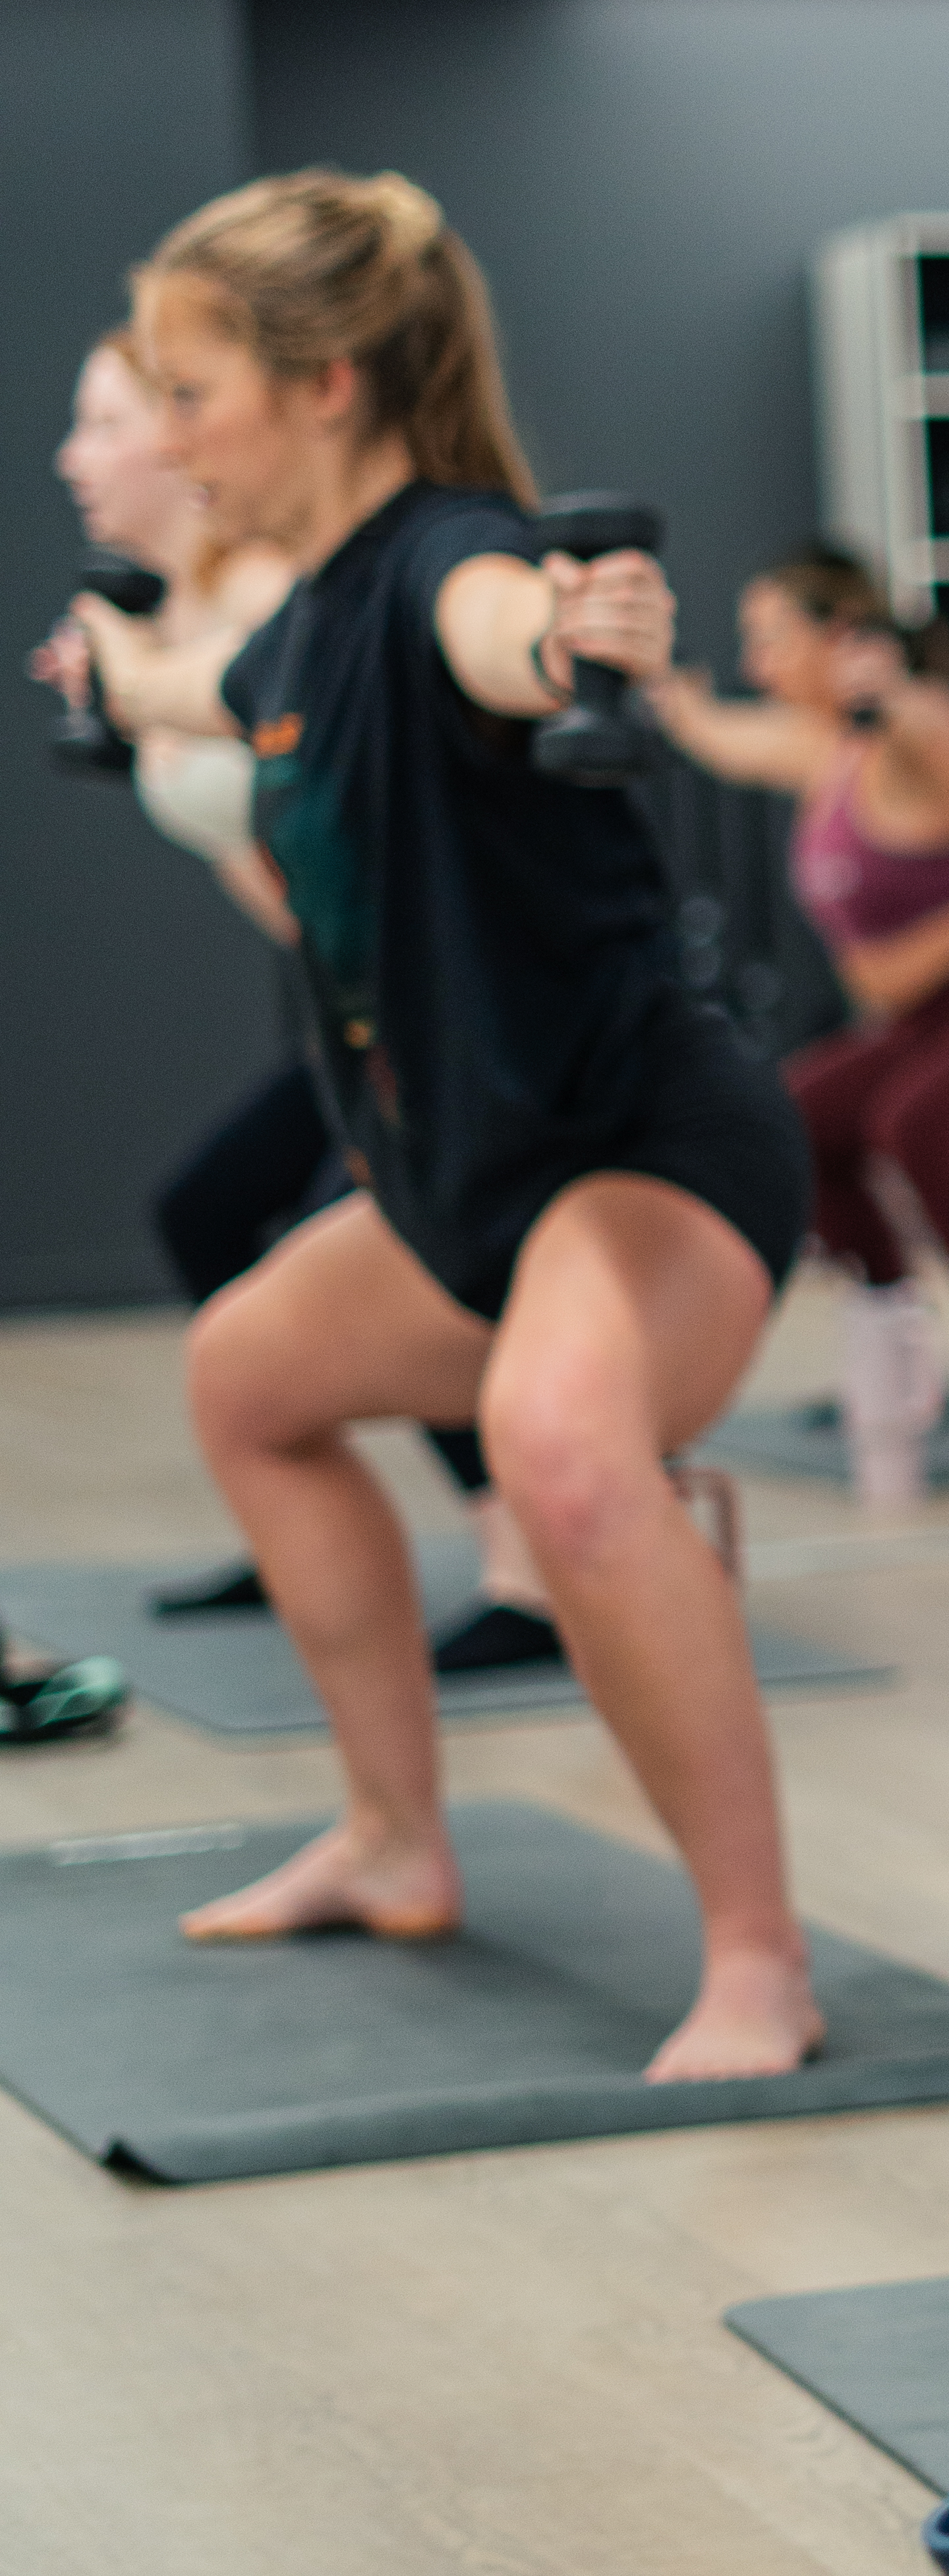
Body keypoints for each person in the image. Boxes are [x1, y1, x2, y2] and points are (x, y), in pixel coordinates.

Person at [104, 171, 817, 2080]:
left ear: (324, 382)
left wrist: (582, 632)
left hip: (640, 1150)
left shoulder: (444, 563)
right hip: (459, 1181)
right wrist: (118, 672)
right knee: (250, 1376)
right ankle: (396, 1837)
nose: (168, 439)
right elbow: (199, 677)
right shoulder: (301, 625)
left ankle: (759, 1958)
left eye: (190, 393)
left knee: (562, 1449)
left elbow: (509, 631)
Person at [50, 335, 563, 1663]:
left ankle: (534, 1567)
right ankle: (307, 1513)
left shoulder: (289, 596)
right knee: (209, 1213)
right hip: (355, 1005)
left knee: (416, 1267)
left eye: (113, 421)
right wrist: (130, 711)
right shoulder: (190, 618)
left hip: (450, 1014)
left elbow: (400, 751)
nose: (80, 458)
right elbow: (282, 864)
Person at [648, 552, 949, 1485]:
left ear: (841, 638)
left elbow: (916, 725)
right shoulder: (823, 751)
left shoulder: (926, 725)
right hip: (940, 1017)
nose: (757, 663)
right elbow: (717, 733)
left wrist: (883, 690)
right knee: (793, 1121)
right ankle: (903, 1370)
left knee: (920, 1125)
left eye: (771, 639)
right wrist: (654, 689)